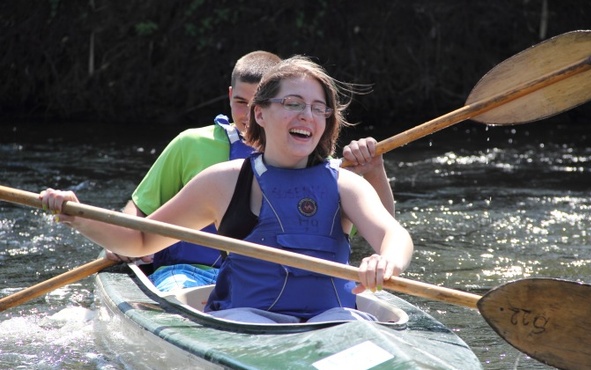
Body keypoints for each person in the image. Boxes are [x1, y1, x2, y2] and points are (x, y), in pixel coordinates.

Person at [41, 55, 413, 324]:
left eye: (319, 108)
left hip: (333, 323)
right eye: (294, 104)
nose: (308, 116)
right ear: (260, 114)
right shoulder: (223, 180)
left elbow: (394, 235)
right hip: (244, 323)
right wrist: (76, 215)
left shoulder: (344, 182)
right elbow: (139, 242)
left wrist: (387, 261)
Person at [110, 51, 395, 292]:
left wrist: (373, 171)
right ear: (231, 95)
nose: (247, 116)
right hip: (189, 273)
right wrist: (123, 240)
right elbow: (141, 209)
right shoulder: (191, 145)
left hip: (272, 283)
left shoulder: (314, 162)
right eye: (240, 103)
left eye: (296, 105)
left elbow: (380, 229)